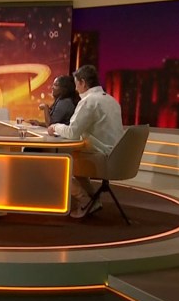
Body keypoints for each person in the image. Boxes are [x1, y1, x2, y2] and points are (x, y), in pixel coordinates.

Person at [48, 65, 123, 219]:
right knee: (73, 158)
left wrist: (55, 127)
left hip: (102, 157)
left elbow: (72, 133)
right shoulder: (111, 100)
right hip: (116, 157)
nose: (76, 89)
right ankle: (93, 201)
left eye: (76, 84)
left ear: (83, 82)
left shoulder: (89, 102)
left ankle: (84, 200)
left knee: (57, 166)